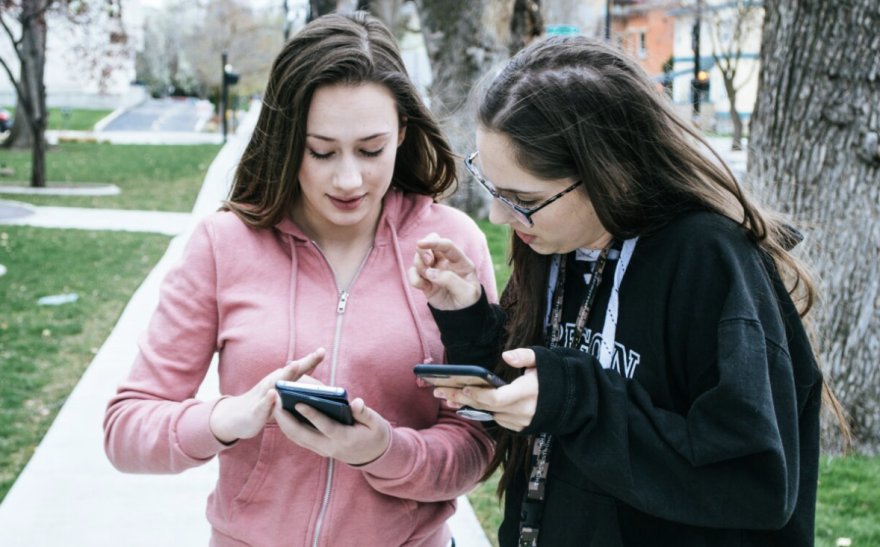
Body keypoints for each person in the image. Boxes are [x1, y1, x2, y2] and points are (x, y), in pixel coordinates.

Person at [409, 36, 848, 546]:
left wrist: (577, 398)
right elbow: (538, 395)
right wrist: (468, 317)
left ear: (606, 173)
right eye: (491, 186)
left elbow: (753, 481)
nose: (499, 216)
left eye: (521, 198)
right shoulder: (554, 240)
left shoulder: (708, 260)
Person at [104, 11, 497, 547]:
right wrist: (228, 418)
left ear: (402, 133)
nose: (349, 179)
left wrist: (382, 451)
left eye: (371, 148)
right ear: (289, 141)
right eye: (322, 151)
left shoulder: (452, 246)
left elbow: (479, 442)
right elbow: (126, 430)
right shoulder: (223, 244)